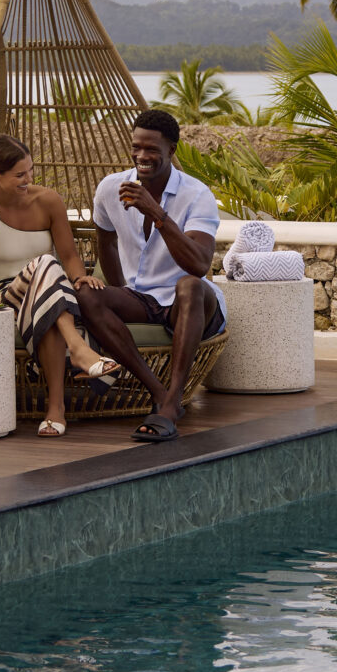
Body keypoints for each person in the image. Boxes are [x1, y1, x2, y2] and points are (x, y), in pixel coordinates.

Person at [0, 134, 120, 437]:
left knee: (49, 278)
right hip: (9, 297)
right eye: (20, 174)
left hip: (55, 293)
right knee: (45, 263)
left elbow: (68, 256)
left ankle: (56, 410)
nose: (29, 178)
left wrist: (80, 277)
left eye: (30, 169)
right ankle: (79, 350)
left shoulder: (48, 201)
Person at [79, 108, 226, 442]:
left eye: (151, 150)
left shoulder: (197, 195)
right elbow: (106, 241)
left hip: (188, 303)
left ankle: (171, 402)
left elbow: (200, 264)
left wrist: (157, 213)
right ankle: (160, 393)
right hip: (141, 297)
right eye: (136, 147)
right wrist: (119, 295)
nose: (141, 156)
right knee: (86, 294)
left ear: (171, 151)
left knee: (189, 285)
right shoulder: (110, 188)